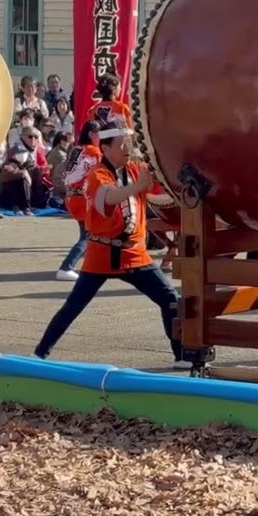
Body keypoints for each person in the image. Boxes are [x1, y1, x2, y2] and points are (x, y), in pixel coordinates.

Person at [34, 121, 186, 368]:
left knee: (169, 298)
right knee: (73, 306)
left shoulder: (136, 168)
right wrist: (137, 187)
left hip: (134, 253)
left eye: (130, 143)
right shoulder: (97, 174)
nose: (128, 148)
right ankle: (40, 353)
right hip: (101, 252)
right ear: (105, 148)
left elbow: (162, 177)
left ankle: (182, 356)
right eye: (122, 144)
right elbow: (108, 196)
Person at [56, 120, 102, 281]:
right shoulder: (94, 152)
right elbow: (99, 174)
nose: (101, 138)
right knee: (89, 235)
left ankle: (93, 266)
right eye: (99, 134)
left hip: (71, 196)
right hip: (82, 198)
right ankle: (66, 267)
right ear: (91, 134)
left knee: (88, 233)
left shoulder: (76, 149)